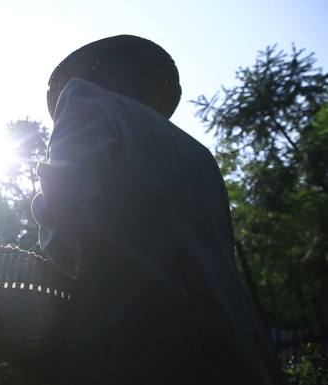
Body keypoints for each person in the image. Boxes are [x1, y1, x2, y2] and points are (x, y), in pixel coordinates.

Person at [31, 35, 286, 384]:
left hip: (135, 345)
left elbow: (67, 209)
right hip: (239, 351)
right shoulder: (200, 154)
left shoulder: (83, 98)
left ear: (92, 74)